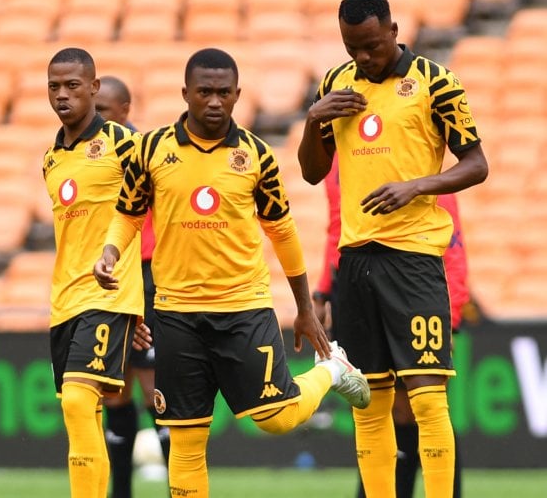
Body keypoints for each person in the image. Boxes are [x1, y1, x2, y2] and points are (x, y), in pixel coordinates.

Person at [94, 47, 370, 498]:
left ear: (238, 94)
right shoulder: (151, 149)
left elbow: (283, 233)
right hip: (176, 314)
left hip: (243, 310)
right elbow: (127, 214)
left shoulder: (256, 156)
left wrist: (304, 309)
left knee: (277, 418)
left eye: (224, 92)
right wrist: (109, 250)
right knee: (184, 440)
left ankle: (332, 370)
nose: (215, 102)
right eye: (205, 92)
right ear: (186, 93)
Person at [297, 0, 487, 498]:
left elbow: (476, 164)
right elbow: (312, 174)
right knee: (370, 404)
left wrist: (417, 184)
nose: (363, 59)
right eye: (352, 48)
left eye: (372, 47)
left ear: (394, 32)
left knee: (428, 401)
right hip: (354, 265)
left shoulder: (435, 83)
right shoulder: (336, 84)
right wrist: (315, 119)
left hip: (415, 261)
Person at [315, 158, 470, 498]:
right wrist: (322, 292)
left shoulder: (409, 152)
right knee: (373, 403)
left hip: (414, 285)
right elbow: (337, 228)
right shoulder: (338, 156)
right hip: (357, 283)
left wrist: (451, 314)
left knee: (423, 403)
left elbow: (452, 241)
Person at [41, 51, 146, 498]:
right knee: (80, 409)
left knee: (82, 400)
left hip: (110, 294)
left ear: (94, 87)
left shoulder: (127, 143)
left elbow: (163, 203)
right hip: (65, 300)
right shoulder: (51, 159)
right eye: (54, 87)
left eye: (72, 86)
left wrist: (138, 302)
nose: (62, 95)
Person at [94, 76, 167, 498]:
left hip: (146, 274)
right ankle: (121, 491)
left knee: (153, 384)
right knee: (112, 386)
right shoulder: (86, 152)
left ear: (126, 109)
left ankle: (181, 483)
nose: (97, 116)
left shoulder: (145, 154)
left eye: (104, 109)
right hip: (107, 277)